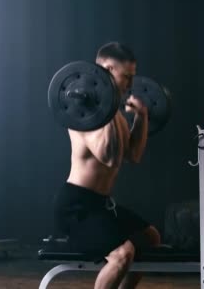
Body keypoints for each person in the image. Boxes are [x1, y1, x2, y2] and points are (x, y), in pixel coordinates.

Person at [54, 42, 161, 289]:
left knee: (150, 238)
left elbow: (133, 154)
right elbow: (110, 158)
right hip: (76, 208)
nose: (130, 84)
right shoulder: (86, 117)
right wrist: (109, 105)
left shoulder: (116, 116)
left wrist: (141, 117)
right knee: (122, 254)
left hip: (100, 205)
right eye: (126, 77)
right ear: (108, 70)